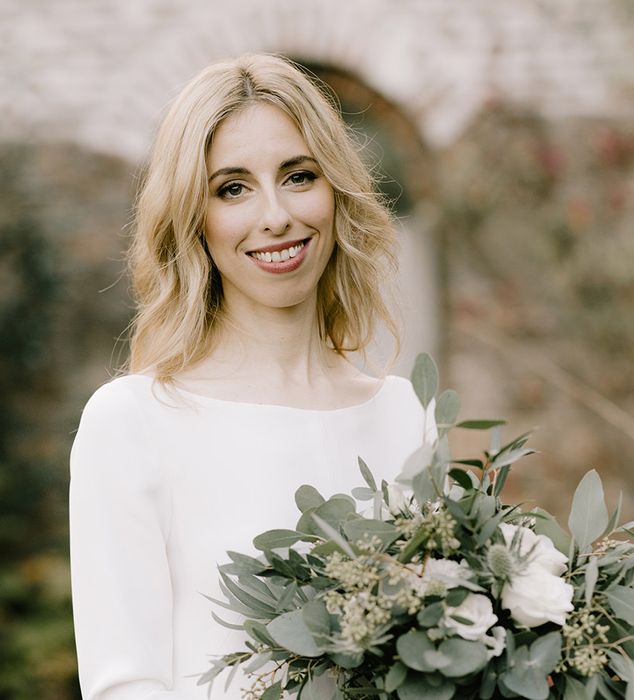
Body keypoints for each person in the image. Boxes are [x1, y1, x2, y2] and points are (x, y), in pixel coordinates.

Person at [69, 53, 429, 700]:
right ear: (193, 219)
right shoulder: (133, 423)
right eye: (232, 188)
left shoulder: (405, 416)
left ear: (335, 189)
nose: (276, 216)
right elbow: (125, 684)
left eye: (298, 176)